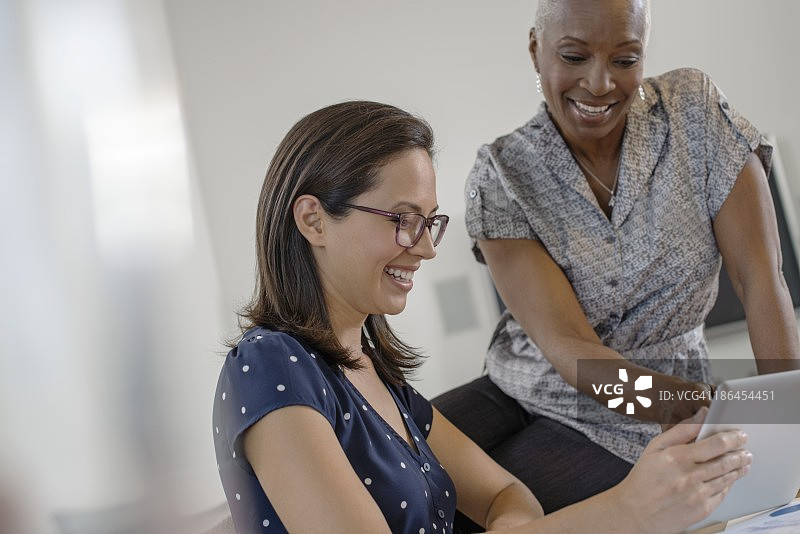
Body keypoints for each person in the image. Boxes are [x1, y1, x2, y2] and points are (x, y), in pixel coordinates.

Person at [212, 100, 751, 533]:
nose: (424, 249)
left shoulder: (381, 380)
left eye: (429, 223)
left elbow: (508, 494)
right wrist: (626, 513)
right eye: (402, 220)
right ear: (313, 220)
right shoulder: (272, 365)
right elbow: (575, 356)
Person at [432, 0, 800, 527]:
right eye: (574, 56)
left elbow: (760, 278)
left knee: (459, 511)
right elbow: (571, 350)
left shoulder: (693, 114)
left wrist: (784, 424)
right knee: (391, 459)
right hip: (522, 381)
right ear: (536, 50)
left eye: (625, 60)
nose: (600, 83)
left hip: (647, 408)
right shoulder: (504, 173)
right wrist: (702, 406)